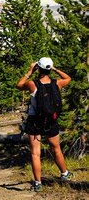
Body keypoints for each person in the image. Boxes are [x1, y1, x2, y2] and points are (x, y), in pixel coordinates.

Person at [16, 57, 74, 192]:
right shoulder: (57, 83)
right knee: (56, 148)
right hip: (51, 121)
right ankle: (64, 174)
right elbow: (69, 78)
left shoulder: (32, 84)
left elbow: (18, 85)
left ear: (39, 68)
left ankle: (38, 183)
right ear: (49, 69)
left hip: (35, 121)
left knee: (35, 153)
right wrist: (55, 69)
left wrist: (30, 71)